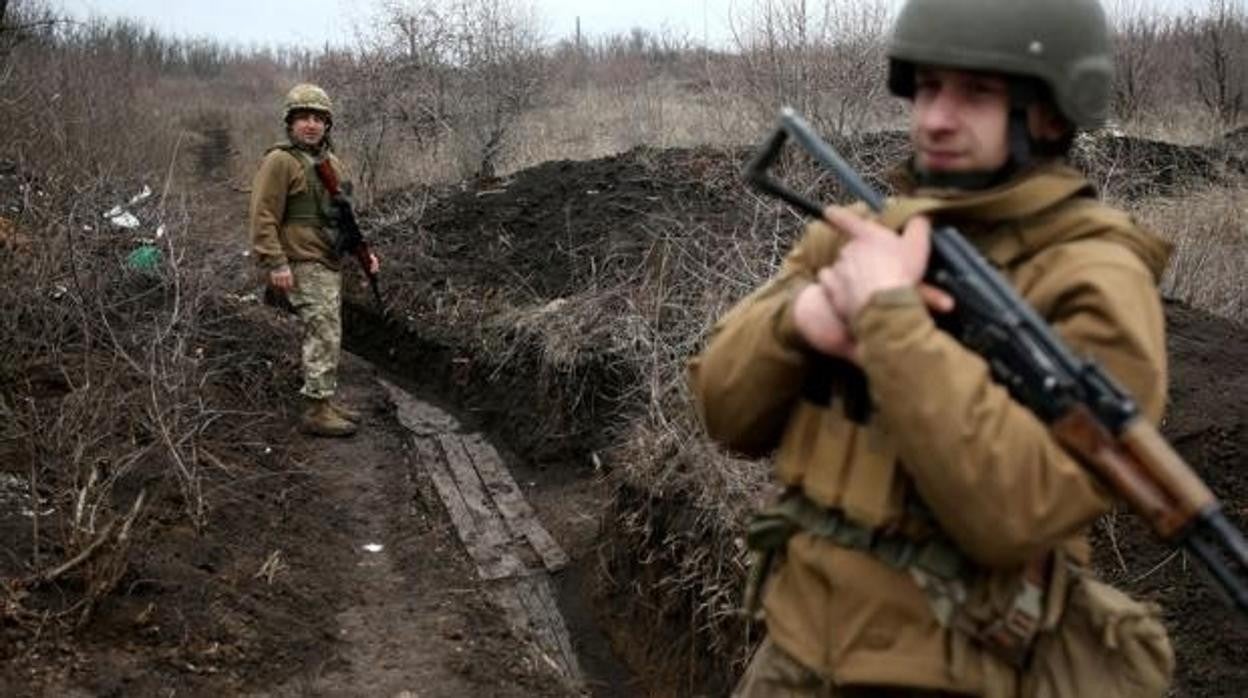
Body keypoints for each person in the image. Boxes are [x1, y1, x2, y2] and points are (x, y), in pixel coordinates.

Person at [690, 0, 1175, 695]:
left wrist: (890, 319)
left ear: (1051, 113)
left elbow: (1015, 515)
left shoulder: (1094, 280)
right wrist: (801, 318)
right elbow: (723, 412)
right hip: (790, 656)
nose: (936, 117)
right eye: (927, 87)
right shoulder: (864, 236)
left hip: (957, 675)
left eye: (976, 92)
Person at [250, 83, 379, 437]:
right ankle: (315, 410)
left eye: (318, 118)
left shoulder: (329, 162)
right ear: (290, 123)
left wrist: (364, 255)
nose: (310, 124)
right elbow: (262, 215)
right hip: (301, 260)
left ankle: (323, 400)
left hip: (327, 260)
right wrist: (275, 263)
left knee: (329, 331)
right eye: (303, 118)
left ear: (327, 124)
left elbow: (344, 218)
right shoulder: (280, 161)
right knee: (322, 332)